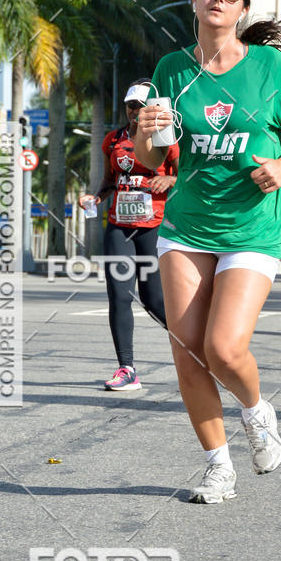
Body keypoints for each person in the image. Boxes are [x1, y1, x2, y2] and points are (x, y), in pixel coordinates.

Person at [134, 0, 281, 503]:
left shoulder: (270, 68)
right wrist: (144, 132)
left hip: (251, 226)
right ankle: (219, 467)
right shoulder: (171, 69)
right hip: (187, 226)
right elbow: (153, 157)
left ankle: (257, 412)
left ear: (242, 7)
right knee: (187, 350)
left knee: (223, 348)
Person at [79, 79, 179, 390]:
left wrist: (170, 181)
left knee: (153, 300)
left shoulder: (165, 137)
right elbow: (110, 180)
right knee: (119, 295)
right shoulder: (113, 140)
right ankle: (127, 368)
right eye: (131, 105)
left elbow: (186, 174)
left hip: (153, 227)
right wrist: (95, 197)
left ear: (152, 108)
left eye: (141, 106)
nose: (135, 111)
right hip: (119, 227)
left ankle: (198, 350)